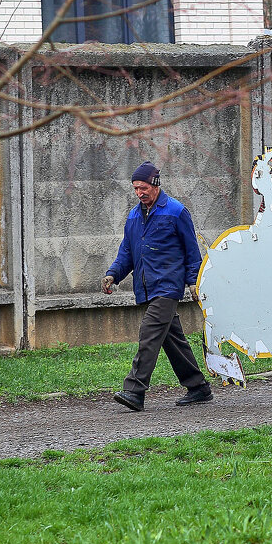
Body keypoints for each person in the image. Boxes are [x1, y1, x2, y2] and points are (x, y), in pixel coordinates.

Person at [102, 161, 214, 411]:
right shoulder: (133, 216)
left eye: (143, 188)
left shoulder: (176, 211)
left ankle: (134, 391)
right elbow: (127, 253)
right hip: (147, 287)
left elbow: (191, 251)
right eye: (135, 189)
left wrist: (194, 282)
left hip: (167, 286)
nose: (139, 193)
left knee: (149, 333)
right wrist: (113, 275)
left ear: (155, 185)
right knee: (172, 339)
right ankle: (198, 387)